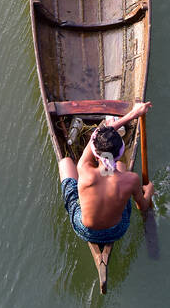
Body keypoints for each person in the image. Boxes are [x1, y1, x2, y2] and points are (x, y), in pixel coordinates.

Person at [59, 102, 153, 245]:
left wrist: (133, 114)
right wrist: (149, 191)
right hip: (116, 231)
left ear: (96, 154)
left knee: (65, 162)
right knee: (121, 167)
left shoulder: (83, 167)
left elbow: (95, 136)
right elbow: (143, 206)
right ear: (119, 153)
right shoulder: (131, 180)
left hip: (84, 230)